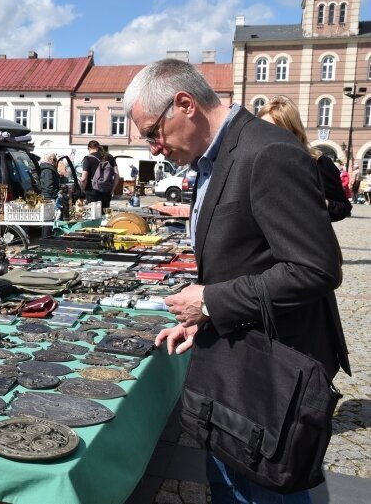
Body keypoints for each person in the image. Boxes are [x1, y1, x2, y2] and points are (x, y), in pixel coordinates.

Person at [124, 59, 350, 504]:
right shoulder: (213, 161)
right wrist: (203, 318)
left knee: (264, 493)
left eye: (153, 132)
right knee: (229, 487)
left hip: (272, 375)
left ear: (184, 104)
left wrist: (209, 301)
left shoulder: (267, 152)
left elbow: (315, 269)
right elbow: (245, 259)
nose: (152, 148)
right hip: (237, 361)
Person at [256, 96, 351, 221]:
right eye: (261, 128)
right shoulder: (252, 160)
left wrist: (319, 203)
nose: (266, 135)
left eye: (274, 129)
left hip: (298, 237)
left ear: (292, 130)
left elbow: (343, 207)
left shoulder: (319, 163)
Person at [79, 140, 118, 209]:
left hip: (92, 192)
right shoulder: (110, 157)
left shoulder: (88, 159)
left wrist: (82, 190)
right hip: (106, 192)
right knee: (105, 216)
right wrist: (112, 191)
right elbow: (117, 176)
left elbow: (83, 179)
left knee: (93, 215)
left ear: (89, 148)